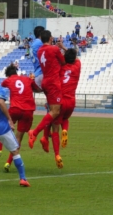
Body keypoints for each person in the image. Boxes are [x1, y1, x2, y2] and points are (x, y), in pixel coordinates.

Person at [0, 65, 39, 171]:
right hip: (28, 110)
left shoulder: (8, 80)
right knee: (19, 138)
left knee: (2, 125)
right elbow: (36, 87)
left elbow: (2, 84)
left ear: (8, 74)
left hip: (16, 108)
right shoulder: (27, 79)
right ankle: (8, 162)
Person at [28, 30, 66, 168]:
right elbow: (63, 61)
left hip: (45, 82)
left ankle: (54, 150)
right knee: (55, 112)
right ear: (50, 38)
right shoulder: (54, 49)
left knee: (53, 115)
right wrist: (63, 48)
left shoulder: (40, 51)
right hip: (53, 82)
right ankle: (35, 132)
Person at [40, 49, 81, 153]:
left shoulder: (60, 68)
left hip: (60, 99)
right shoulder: (77, 66)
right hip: (71, 100)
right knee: (65, 118)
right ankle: (65, 130)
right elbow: (76, 58)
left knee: (53, 119)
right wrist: (64, 48)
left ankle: (56, 153)